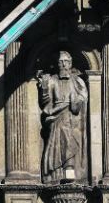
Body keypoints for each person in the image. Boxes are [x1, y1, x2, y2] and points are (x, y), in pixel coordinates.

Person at [36, 51, 88, 183]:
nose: (64, 65)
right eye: (61, 62)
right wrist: (44, 87)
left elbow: (83, 96)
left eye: (67, 62)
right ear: (57, 64)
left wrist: (77, 100)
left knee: (71, 141)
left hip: (73, 118)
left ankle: (69, 169)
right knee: (58, 142)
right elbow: (45, 101)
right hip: (56, 116)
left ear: (71, 64)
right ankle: (57, 172)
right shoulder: (52, 80)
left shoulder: (77, 81)